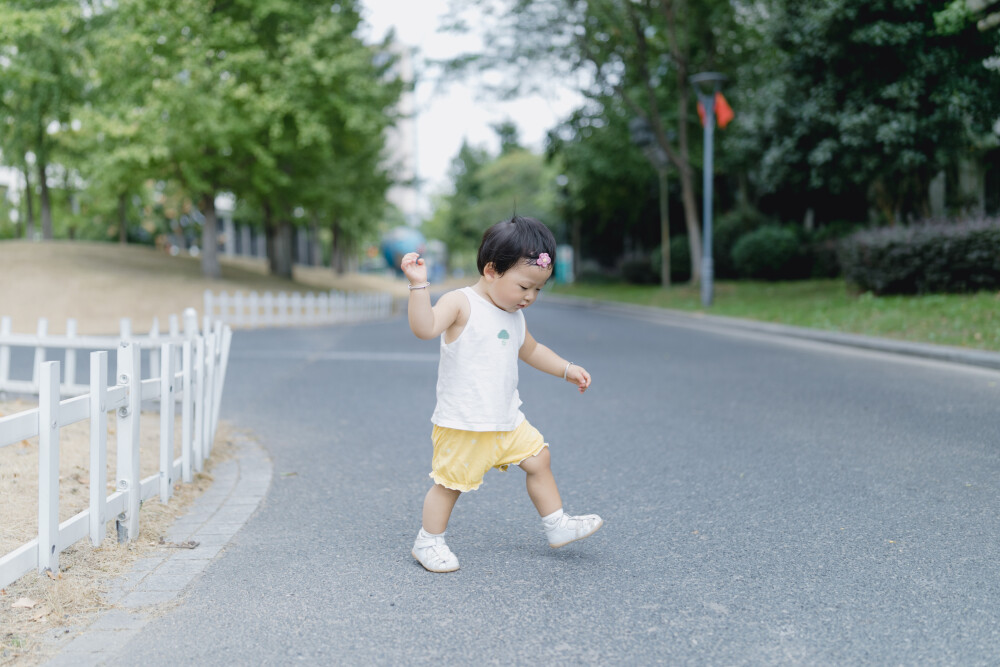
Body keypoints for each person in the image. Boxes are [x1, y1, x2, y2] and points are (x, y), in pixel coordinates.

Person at [400, 215, 603, 573]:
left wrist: (566, 369)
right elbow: (424, 328)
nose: (530, 297)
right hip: (465, 422)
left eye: (538, 290)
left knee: (539, 459)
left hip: (506, 418)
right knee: (450, 485)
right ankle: (428, 541)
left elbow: (532, 350)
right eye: (525, 286)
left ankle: (556, 524)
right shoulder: (461, 302)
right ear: (492, 270)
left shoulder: (513, 314)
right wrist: (419, 287)